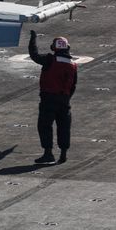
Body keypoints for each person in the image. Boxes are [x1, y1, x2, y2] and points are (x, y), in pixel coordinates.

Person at [28, 30, 77, 165]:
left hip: (48, 99)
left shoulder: (50, 60)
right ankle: (63, 154)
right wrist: (66, 97)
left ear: (53, 48)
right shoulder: (73, 64)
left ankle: (48, 153)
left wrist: (33, 39)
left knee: (44, 126)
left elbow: (34, 55)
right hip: (64, 100)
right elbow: (73, 85)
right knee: (64, 127)